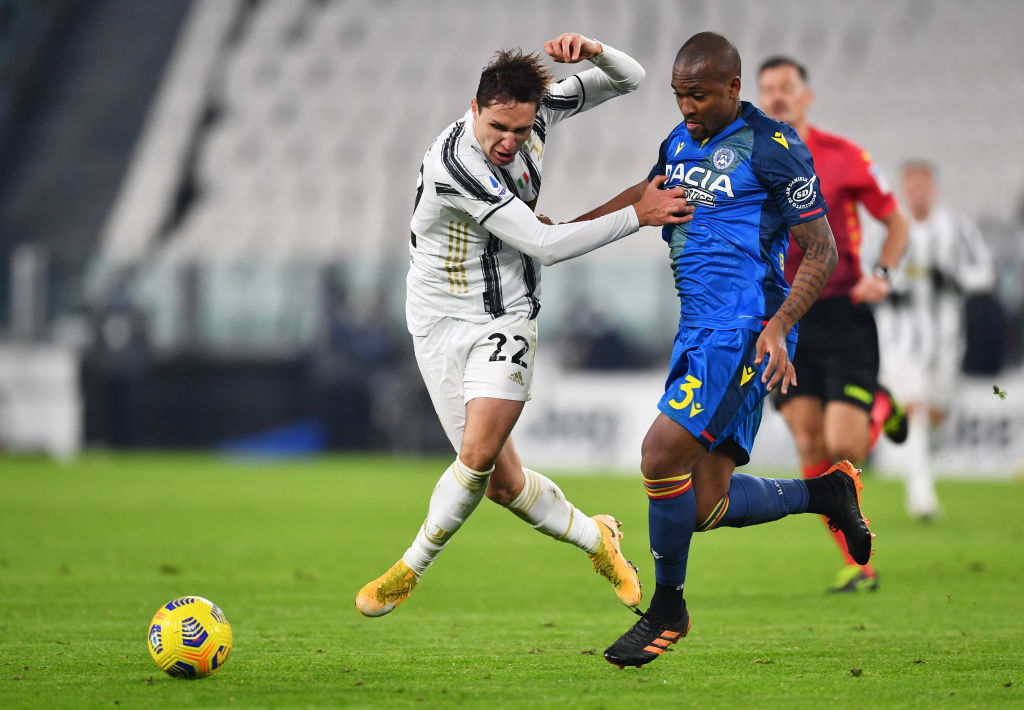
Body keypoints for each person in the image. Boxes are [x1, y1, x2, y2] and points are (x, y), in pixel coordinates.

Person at [560, 31, 872, 669]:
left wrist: (780, 325)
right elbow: (646, 196)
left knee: (659, 455)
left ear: (733, 87)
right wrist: (567, 231)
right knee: (703, 505)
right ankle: (826, 494)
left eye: (698, 95)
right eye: (678, 95)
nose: (686, 107)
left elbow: (821, 249)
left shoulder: (773, 146)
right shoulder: (679, 142)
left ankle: (667, 609)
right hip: (696, 330)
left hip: (745, 331)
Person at [355, 34, 693, 618]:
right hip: (437, 322)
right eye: (497, 129)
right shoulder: (456, 162)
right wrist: (635, 215)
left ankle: (410, 567)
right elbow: (543, 242)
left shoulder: (537, 113)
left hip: (506, 316)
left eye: (519, 129)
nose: (509, 142)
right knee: (501, 484)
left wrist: (594, 50)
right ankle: (597, 538)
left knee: (476, 455)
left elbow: (630, 77)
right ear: (474, 109)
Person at [758, 55, 910, 593]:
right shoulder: (750, 158)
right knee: (808, 442)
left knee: (846, 444)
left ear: (807, 97)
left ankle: (881, 405)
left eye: (787, 87)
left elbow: (895, 221)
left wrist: (883, 273)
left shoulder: (844, 157)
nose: (777, 96)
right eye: (768, 88)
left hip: (843, 311)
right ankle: (859, 564)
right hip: (785, 317)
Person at [874, 161, 995, 519]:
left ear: (933, 190)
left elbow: (985, 272)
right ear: (904, 190)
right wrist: (888, 287)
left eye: (923, 187)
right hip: (902, 337)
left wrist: (956, 279)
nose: (918, 194)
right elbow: (871, 273)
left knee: (938, 413)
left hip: (945, 337)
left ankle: (918, 463)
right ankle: (921, 496)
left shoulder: (956, 228)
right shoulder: (891, 227)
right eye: (911, 188)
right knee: (915, 407)